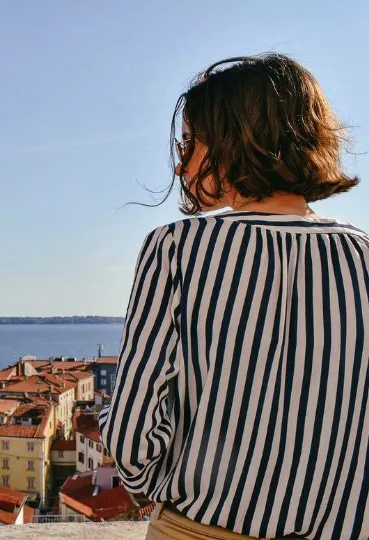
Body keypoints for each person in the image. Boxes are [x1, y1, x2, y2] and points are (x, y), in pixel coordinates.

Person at [99, 54, 367, 539]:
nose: (180, 163)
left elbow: (132, 433)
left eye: (189, 143)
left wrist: (157, 486)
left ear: (236, 141)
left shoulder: (176, 249)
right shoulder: (364, 255)